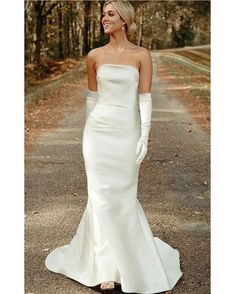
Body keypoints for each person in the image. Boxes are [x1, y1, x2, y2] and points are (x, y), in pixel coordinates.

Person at [45, 1, 183, 293]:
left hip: (127, 132)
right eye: (103, 15)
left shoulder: (141, 55)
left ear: (125, 20)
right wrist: (87, 132)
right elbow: (92, 99)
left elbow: (144, 98)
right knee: (100, 197)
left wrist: (144, 135)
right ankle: (105, 267)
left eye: (110, 14)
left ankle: (131, 261)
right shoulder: (94, 56)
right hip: (97, 134)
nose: (104, 19)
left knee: (122, 196)